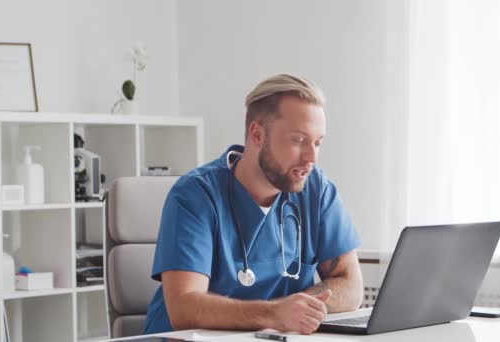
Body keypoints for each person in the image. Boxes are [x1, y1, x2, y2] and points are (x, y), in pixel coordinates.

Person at [144, 74, 363, 335]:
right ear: (257, 134)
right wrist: (275, 313)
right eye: (298, 140)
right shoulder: (195, 195)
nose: (311, 157)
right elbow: (184, 308)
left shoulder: (316, 189)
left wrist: (300, 309)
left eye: (317, 142)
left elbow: (351, 286)